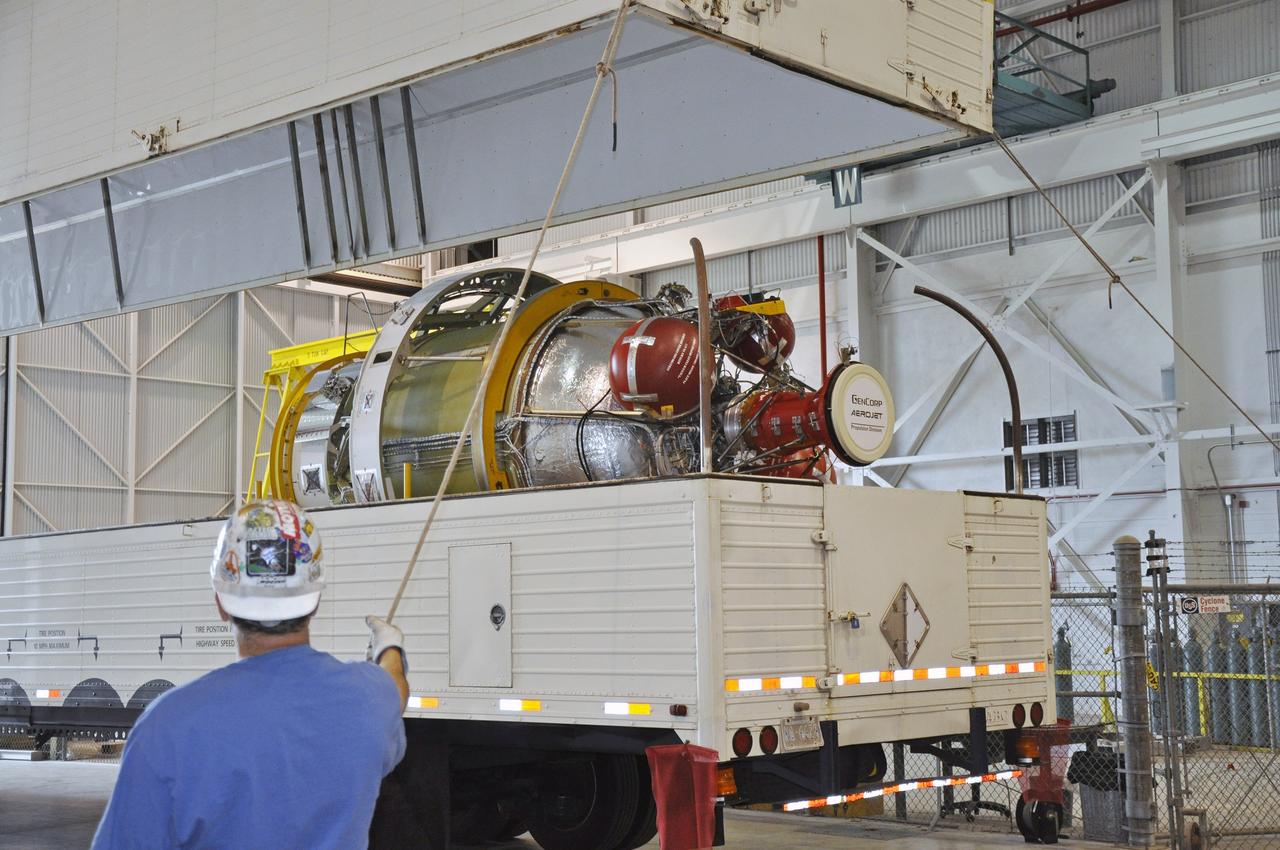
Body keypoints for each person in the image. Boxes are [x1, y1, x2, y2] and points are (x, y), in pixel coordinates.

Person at [91, 499, 410, 850]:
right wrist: (389, 648)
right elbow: (396, 690)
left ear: (221, 602)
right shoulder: (369, 697)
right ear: (316, 599)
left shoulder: (167, 726)